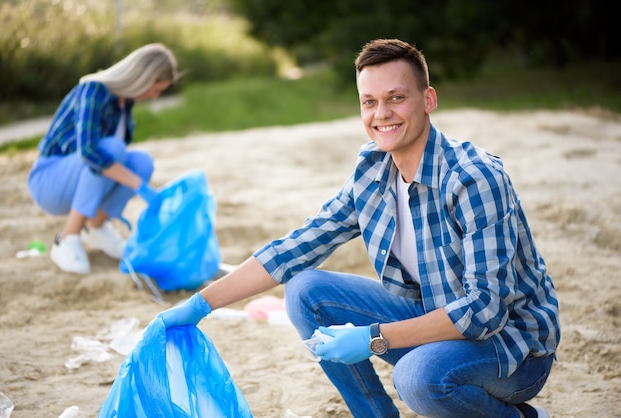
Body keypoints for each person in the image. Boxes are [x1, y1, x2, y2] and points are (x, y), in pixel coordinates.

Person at [157, 38, 560, 418]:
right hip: (435, 318)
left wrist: (372, 337)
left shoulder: (472, 179)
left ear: (428, 99)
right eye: (369, 102)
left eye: (396, 98)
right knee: (305, 290)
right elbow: (296, 247)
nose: (381, 114)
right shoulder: (372, 169)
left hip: (512, 348)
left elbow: (484, 312)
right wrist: (199, 305)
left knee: (418, 378)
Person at [28, 43, 178, 274]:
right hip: (49, 183)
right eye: (155, 89)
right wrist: (140, 186)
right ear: (142, 78)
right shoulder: (94, 90)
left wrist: (140, 180)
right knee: (112, 149)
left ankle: (96, 226)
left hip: (79, 184)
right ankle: (66, 238)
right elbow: (89, 153)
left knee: (142, 162)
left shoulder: (124, 103)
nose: (155, 97)